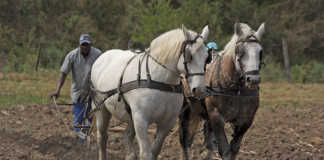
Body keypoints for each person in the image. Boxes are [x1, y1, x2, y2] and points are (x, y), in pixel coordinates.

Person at [50, 34, 101, 142]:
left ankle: (83, 140)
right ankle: (80, 141)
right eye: (83, 45)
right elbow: (63, 73)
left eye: (87, 45)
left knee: (89, 118)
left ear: (90, 45)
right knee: (78, 119)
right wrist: (58, 90)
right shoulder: (72, 55)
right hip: (78, 92)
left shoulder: (98, 54)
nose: (85, 47)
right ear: (79, 45)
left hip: (93, 91)